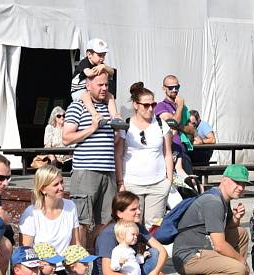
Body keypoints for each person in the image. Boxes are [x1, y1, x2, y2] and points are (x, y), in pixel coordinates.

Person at [172, 165, 254, 275]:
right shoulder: (213, 202)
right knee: (240, 270)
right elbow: (219, 245)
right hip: (188, 257)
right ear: (225, 180)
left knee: (241, 233)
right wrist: (240, 260)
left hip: (201, 249)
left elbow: (225, 229)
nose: (241, 187)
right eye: (237, 182)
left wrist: (235, 219)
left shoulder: (221, 197)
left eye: (243, 184)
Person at [63, 70, 121, 248]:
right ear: (88, 85)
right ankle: (79, 258)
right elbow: (66, 138)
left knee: (107, 218)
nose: (104, 88)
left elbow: (115, 139)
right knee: (82, 219)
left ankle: (89, 250)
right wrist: (92, 128)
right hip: (86, 169)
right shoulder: (77, 106)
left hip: (108, 169)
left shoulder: (109, 107)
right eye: (100, 85)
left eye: (106, 85)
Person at [93, 192, 170, 275]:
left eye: (139, 208)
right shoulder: (108, 235)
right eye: (133, 209)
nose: (139, 212)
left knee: (154, 253)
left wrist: (155, 273)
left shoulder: (136, 227)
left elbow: (162, 251)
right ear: (119, 213)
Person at [115, 82, 176, 228]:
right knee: (131, 226)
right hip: (132, 183)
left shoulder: (161, 125)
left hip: (158, 184)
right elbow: (118, 155)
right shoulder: (127, 125)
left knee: (154, 227)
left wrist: (169, 180)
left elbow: (167, 153)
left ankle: (154, 251)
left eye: (153, 105)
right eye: (146, 105)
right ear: (136, 105)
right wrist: (120, 183)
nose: (150, 108)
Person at [20, 165, 81, 254]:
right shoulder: (31, 213)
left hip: (65, 265)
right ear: (43, 189)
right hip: (40, 266)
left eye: (62, 182)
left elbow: (75, 244)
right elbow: (26, 252)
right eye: (56, 184)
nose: (61, 188)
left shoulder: (70, 206)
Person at [71, 38, 120, 121]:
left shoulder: (100, 65)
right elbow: (88, 73)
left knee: (110, 96)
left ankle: (115, 117)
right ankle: (95, 115)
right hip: (78, 91)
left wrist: (104, 67)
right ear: (89, 54)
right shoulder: (84, 62)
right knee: (86, 96)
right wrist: (100, 69)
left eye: (104, 55)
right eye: (99, 55)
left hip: (91, 90)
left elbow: (112, 72)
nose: (102, 58)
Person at [155, 74, 193, 156]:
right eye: (171, 88)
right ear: (164, 88)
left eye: (177, 87)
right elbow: (174, 123)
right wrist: (179, 107)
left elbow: (192, 130)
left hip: (184, 149)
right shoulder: (160, 106)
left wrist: (178, 127)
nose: (174, 90)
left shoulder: (183, 107)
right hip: (171, 150)